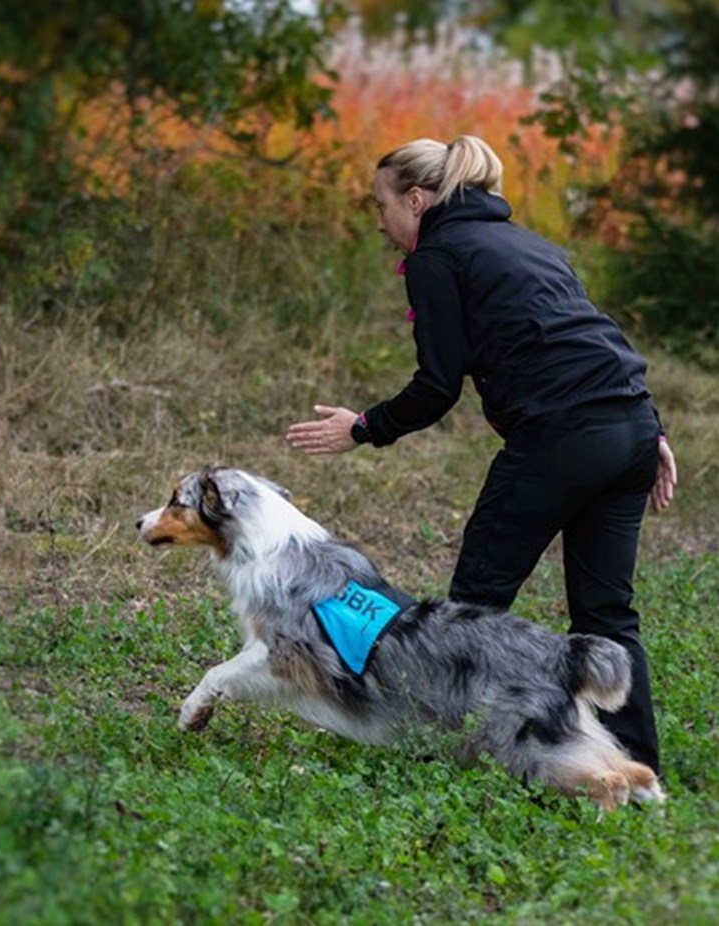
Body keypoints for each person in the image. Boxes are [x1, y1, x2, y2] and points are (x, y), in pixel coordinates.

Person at [285, 134, 677, 775]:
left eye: (381, 206)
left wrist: (361, 428)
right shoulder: (531, 244)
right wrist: (650, 430)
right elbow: (596, 336)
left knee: (474, 604)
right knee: (608, 613)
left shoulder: (440, 256)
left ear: (416, 200)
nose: (379, 222)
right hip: (628, 429)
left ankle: (439, 753)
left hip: (560, 438)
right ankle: (634, 768)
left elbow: (436, 388)